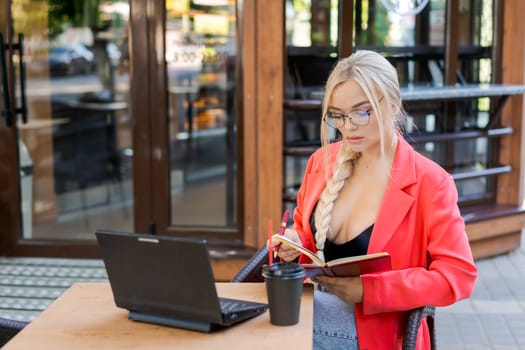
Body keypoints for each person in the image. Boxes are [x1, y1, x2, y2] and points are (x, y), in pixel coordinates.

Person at [270, 50, 477, 349]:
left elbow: (457, 277)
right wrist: (292, 244)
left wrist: (370, 290)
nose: (348, 126)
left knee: (266, 333)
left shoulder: (430, 183)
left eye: (361, 112)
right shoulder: (321, 162)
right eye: (337, 115)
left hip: (378, 330)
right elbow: (305, 236)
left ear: (392, 104)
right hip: (313, 306)